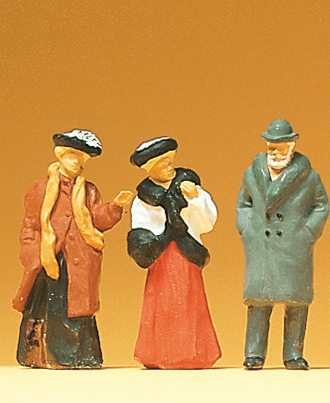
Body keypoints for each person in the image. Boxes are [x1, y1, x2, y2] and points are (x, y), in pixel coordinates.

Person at [12, 129, 133, 369]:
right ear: (61, 155)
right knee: (46, 307)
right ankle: (45, 355)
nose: (77, 162)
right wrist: (32, 255)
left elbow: (97, 219)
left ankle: (79, 357)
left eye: (82, 158)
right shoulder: (40, 189)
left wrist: (115, 206)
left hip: (79, 258)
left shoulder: (89, 191)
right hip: (49, 259)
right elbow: (31, 225)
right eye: (73, 156)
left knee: (78, 309)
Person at [236, 119, 329, 370]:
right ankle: (254, 354)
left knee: (296, 301)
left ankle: (293, 354)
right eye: (271, 147)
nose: (275, 152)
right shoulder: (252, 173)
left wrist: (308, 232)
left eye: (280, 147)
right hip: (261, 245)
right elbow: (243, 204)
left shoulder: (309, 177)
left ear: (291, 147)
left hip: (293, 245)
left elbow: (321, 206)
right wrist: (246, 228)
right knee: (258, 301)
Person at [127, 137, 221, 369]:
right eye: (162, 164)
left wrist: (195, 199)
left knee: (189, 301)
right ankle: (159, 352)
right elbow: (140, 227)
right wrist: (151, 243)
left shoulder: (188, 187)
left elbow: (207, 223)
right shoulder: (144, 198)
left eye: (170, 161)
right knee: (162, 304)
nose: (169, 167)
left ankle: (193, 352)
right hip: (160, 257)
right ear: (150, 169)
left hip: (187, 253)